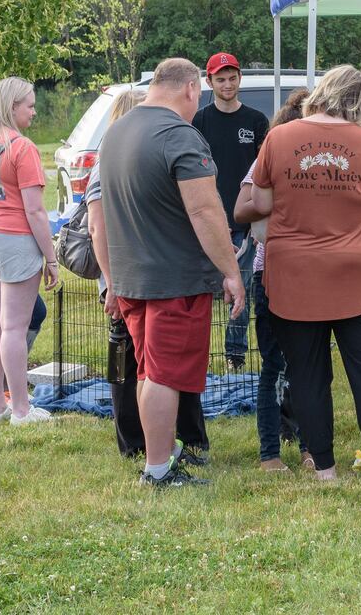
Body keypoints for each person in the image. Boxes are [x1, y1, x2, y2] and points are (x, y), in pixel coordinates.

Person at [250, 65, 361, 487]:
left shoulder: (278, 138)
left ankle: (325, 468)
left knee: (308, 375)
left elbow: (259, 200)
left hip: (293, 276)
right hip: (357, 277)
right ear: (357, 101)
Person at [95, 58, 246, 489]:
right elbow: (204, 209)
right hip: (172, 280)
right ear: (191, 90)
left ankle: (161, 454)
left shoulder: (117, 132)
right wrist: (231, 271)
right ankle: (158, 470)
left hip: (130, 277)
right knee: (163, 375)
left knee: (148, 371)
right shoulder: (179, 134)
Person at [87, 88, 210, 462]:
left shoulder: (114, 151)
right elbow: (97, 226)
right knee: (142, 369)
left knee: (142, 368)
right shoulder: (121, 154)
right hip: (134, 279)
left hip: (130, 277)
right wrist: (109, 282)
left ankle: (160, 444)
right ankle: (144, 447)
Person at [0, 77, 61, 425]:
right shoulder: (22, 147)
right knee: (15, 329)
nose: (33, 111)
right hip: (14, 239)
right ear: (11, 106)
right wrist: (51, 258)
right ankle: (21, 409)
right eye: (29, 105)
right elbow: (35, 211)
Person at [233, 88, 314, 472]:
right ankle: (270, 454)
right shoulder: (268, 157)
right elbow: (242, 208)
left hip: (314, 273)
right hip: (273, 270)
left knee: (310, 367)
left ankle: (312, 448)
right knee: (274, 366)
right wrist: (270, 206)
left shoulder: (325, 161)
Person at [191, 52, 268, 370]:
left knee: (243, 288)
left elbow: (264, 174)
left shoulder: (256, 121)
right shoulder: (200, 121)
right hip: (207, 218)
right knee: (201, 289)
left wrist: (257, 217)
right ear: (209, 82)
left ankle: (235, 357)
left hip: (244, 222)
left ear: (240, 79)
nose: (227, 84)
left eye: (232, 78)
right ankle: (196, 355)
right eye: (220, 79)